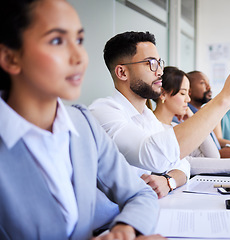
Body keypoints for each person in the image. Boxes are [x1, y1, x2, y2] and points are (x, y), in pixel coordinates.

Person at [0, 1, 164, 240]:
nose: (79, 57)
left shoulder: (81, 122)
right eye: (56, 40)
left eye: (79, 40)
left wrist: (124, 230)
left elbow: (139, 193)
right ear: (10, 58)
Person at [89, 31, 230, 196]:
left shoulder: (147, 117)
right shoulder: (102, 112)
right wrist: (225, 98)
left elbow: (182, 163)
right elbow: (155, 155)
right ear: (122, 72)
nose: (159, 71)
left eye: (159, 63)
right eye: (150, 63)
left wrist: (169, 181)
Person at [153, 66, 230, 175]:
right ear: (163, 94)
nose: (187, 99)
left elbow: (213, 156)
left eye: (187, 93)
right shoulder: (155, 129)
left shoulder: (174, 126)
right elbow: (188, 163)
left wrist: (193, 119)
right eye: (183, 93)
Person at [186, 70, 230, 157]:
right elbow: (191, 155)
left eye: (208, 83)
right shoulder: (185, 117)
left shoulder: (201, 114)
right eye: (202, 83)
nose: (209, 87)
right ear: (188, 90)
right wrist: (220, 154)